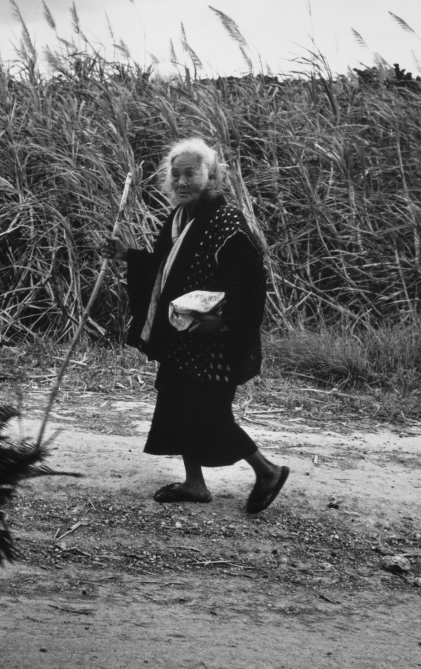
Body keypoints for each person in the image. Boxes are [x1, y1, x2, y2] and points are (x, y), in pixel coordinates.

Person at [100, 138, 289, 513]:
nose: (182, 181)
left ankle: (267, 471)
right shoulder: (178, 218)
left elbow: (248, 284)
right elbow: (164, 268)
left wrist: (224, 322)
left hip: (214, 338)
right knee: (176, 403)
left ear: (212, 175)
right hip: (183, 334)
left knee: (208, 412)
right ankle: (195, 483)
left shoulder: (227, 222)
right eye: (176, 175)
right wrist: (127, 256)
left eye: (191, 174)